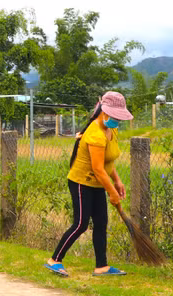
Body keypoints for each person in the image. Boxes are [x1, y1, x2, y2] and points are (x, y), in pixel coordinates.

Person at [46, 91, 133, 277]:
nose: (118, 120)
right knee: (81, 224)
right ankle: (55, 260)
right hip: (81, 182)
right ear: (105, 112)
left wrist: (117, 181)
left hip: (98, 183)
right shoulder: (95, 134)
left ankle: (101, 266)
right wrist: (112, 192)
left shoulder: (111, 129)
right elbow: (98, 169)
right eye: (116, 116)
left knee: (101, 223)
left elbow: (108, 161)